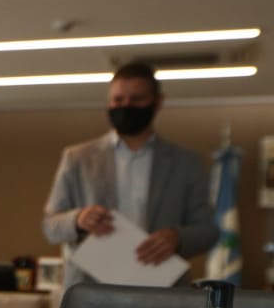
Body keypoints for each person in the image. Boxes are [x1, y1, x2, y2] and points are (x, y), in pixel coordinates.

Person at [42, 62, 217, 288]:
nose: (126, 106)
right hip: (91, 290)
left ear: (158, 102)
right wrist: (77, 219)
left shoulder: (187, 162)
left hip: (162, 288)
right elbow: (50, 226)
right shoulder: (77, 158)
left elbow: (208, 230)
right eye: (118, 100)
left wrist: (178, 237)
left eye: (137, 99)